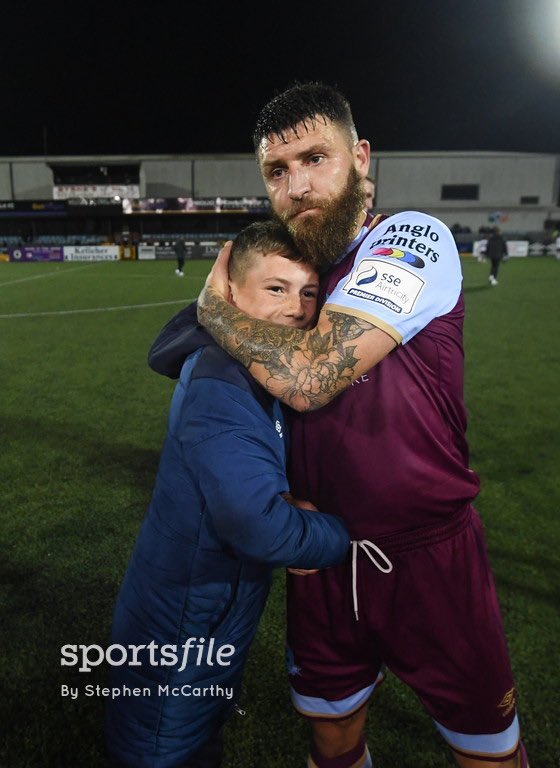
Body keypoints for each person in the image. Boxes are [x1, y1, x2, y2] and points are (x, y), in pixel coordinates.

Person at [150, 83, 528, 768]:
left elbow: (309, 378)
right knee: (332, 735)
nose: (295, 185)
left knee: (487, 753)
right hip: (320, 556)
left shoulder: (410, 238)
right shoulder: (294, 279)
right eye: (276, 170)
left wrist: (214, 302)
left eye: (315, 158)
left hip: (428, 560)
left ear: (359, 157)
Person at [106, 220, 350, 768]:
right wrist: (341, 537)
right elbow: (256, 522)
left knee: (192, 736)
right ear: (230, 291)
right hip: (182, 626)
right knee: (162, 745)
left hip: (205, 613)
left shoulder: (253, 367)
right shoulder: (224, 379)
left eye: (308, 292)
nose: (296, 308)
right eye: (276, 288)